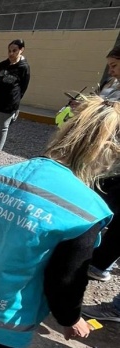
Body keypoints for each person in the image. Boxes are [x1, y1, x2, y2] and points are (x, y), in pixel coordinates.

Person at [0, 96, 119, 347]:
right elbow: (65, 279)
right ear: (107, 154)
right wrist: (70, 319)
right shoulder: (84, 211)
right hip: (3, 318)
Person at [80, 46, 120, 322]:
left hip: (115, 165)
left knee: (106, 212)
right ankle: (95, 259)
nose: (111, 70)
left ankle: (98, 262)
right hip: (106, 164)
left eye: (115, 65)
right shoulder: (112, 86)